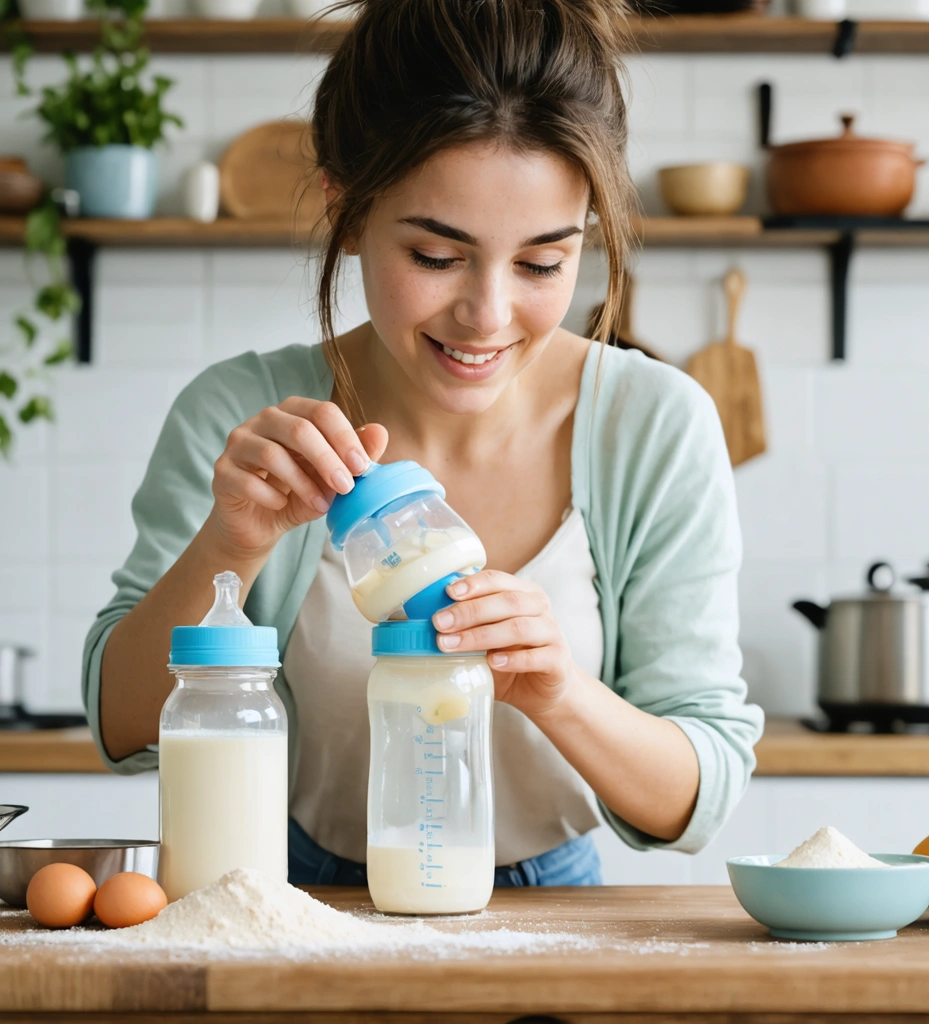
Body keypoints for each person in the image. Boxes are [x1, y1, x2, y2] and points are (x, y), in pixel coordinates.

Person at [84, 0, 764, 888]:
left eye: (541, 263)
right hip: (289, 893)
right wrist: (234, 543)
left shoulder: (653, 425)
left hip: (553, 906)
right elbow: (121, 723)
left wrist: (561, 693)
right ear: (348, 205)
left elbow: (695, 803)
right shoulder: (242, 413)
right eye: (438, 258)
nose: (487, 314)